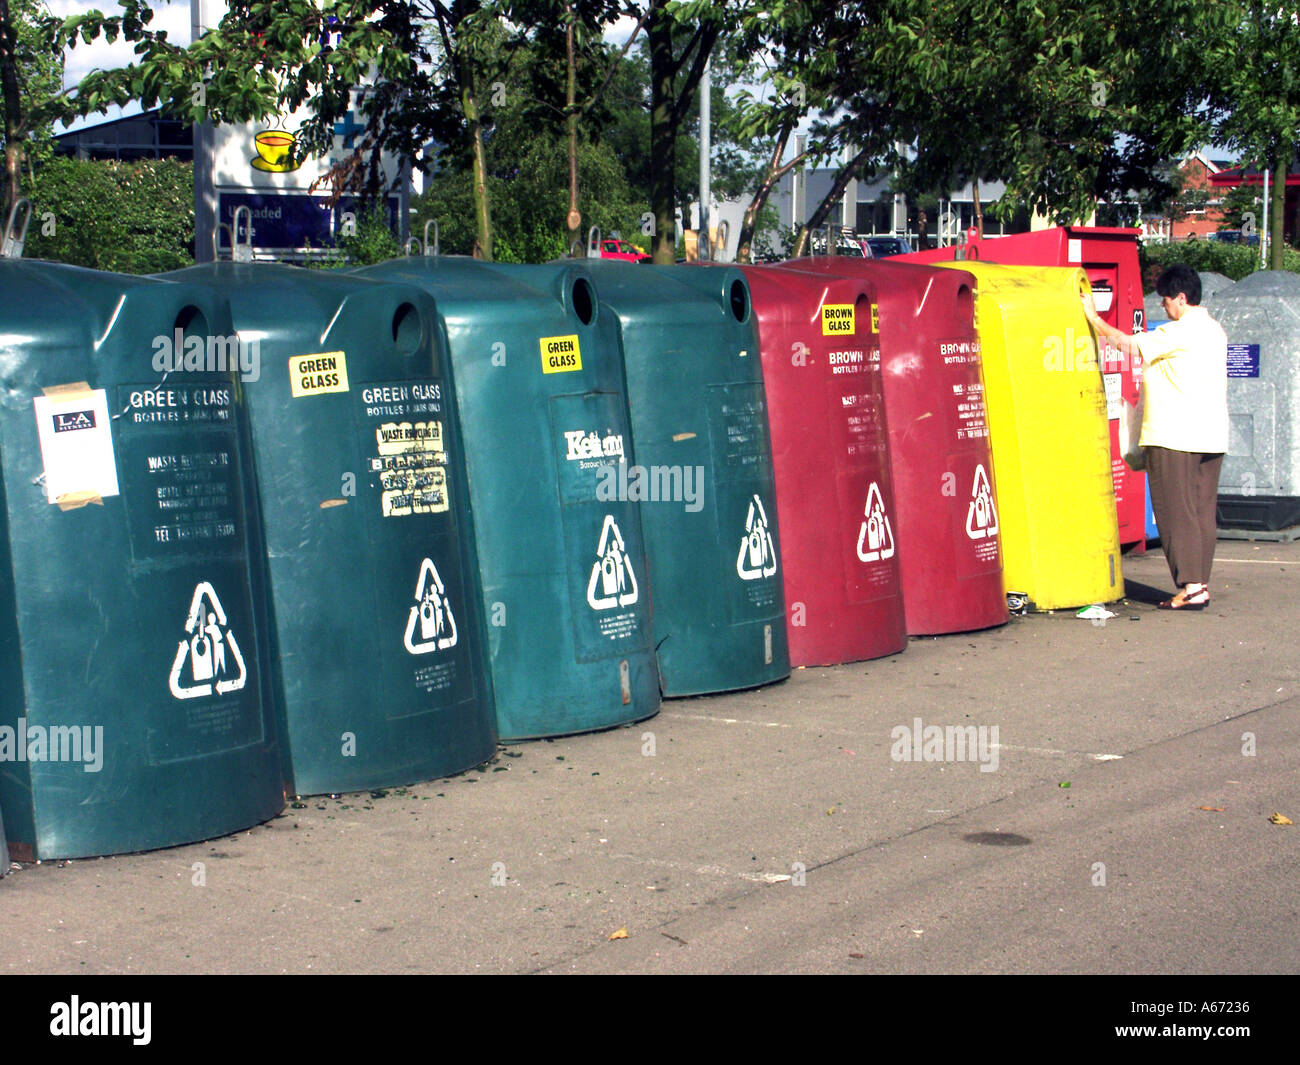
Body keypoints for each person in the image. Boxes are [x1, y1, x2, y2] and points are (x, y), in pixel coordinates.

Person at [1083, 264, 1228, 610]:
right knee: (1201, 512)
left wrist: (1094, 319)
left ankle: (1191, 588)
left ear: (1181, 298)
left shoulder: (1178, 332)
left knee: (1175, 512)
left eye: (1165, 301)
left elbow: (1128, 345)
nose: (1163, 307)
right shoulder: (1215, 330)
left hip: (1174, 436)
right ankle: (1200, 584)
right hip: (1212, 436)